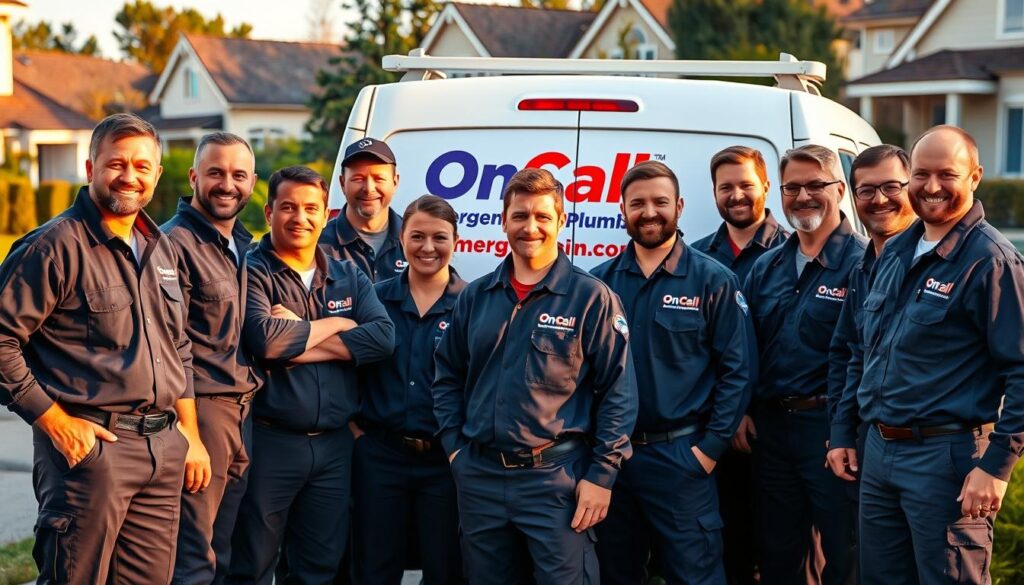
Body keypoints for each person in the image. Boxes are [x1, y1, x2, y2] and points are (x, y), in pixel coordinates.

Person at [0, 113, 196, 584]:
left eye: (142, 166)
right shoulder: (53, 247)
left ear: (157, 175)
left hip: (161, 449)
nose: (129, 176)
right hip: (92, 454)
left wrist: (188, 435)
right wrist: (56, 423)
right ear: (90, 169)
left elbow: (177, 345)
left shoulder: (160, 246)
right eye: (116, 164)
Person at [830, 126, 1024, 585]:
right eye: (921, 174)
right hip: (878, 452)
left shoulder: (991, 261)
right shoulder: (895, 249)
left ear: (974, 176)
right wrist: (842, 432)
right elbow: (862, 347)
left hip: (947, 459)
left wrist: (995, 468)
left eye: (947, 174)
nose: (931, 187)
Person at [433, 168, 637, 585]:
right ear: (504, 220)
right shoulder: (476, 296)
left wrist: (602, 475)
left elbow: (618, 390)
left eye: (543, 217)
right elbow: (447, 375)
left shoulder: (590, 297)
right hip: (481, 478)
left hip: (557, 483)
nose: (531, 227)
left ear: (561, 222)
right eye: (520, 215)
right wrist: (456, 450)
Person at [228, 166, 395, 585]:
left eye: (310, 208)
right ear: (268, 213)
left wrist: (297, 340)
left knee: (319, 568)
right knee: (253, 563)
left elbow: (383, 339)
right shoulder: (253, 270)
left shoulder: (346, 274)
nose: (299, 218)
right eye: (288, 207)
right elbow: (266, 343)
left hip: (334, 449)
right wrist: (339, 325)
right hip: (271, 443)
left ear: (326, 215)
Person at [590, 161, 754, 585]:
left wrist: (709, 449)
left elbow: (738, 371)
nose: (649, 212)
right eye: (637, 203)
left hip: (682, 458)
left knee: (695, 575)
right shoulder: (598, 287)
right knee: (614, 572)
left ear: (679, 206)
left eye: (660, 202)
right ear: (621, 210)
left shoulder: (713, 280)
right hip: (613, 463)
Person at [739, 145, 866, 584]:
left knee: (844, 553)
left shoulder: (865, 264)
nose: (803, 196)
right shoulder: (765, 267)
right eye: (792, 187)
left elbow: (864, 357)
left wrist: (844, 430)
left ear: (840, 190)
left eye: (816, 185)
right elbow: (744, 349)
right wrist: (741, 412)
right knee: (778, 555)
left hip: (832, 430)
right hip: (771, 433)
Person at [161, 132, 262, 585]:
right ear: (194, 176)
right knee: (195, 555)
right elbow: (170, 348)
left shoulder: (243, 243)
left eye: (238, 175)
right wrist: (191, 436)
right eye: (216, 173)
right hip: (202, 412)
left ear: (252, 181)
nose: (227, 184)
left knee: (228, 548)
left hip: (243, 412)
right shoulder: (174, 244)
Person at [353, 195, 466, 584]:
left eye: (439, 237)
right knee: (374, 569)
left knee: (445, 570)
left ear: (457, 240)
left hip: (445, 464)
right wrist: (357, 432)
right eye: (417, 236)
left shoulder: (473, 304)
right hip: (380, 457)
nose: (428, 247)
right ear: (402, 238)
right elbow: (346, 367)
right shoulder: (374, 298)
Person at [691, 145, 787, 585]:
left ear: (765, 186)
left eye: (746, 184)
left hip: (778, 428)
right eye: (725, 186)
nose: (737, 194)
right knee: (723, 547)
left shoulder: (794, 253)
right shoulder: (694, 259)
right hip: (708, 430)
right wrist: (726, 418)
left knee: (783, 551)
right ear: (713, 192)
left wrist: (746, 410)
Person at [825, 144, 916, 481]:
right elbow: (848, 355)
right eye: (867, 190)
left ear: (912, 187)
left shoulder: (934, 264)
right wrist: (841, 432)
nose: (879, 199)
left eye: (891, 186)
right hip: (870, 447)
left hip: (933, 452)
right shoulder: (862, 269)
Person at [319, 137, 406, 282]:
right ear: (342, 183)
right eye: (358, 179)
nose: (368, 189)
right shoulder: (318, 246)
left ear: (395, 181)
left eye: (379, 178)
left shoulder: (416, 240)